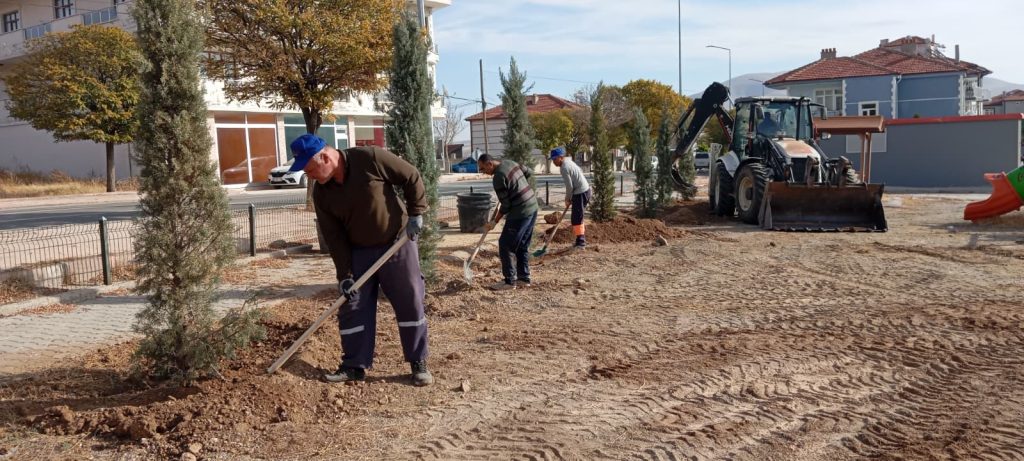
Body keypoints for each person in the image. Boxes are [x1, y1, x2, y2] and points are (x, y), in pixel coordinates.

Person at [289, 134, 433, 386]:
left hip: (397, 244)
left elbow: (410, 175)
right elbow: (334, 238)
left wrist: (416, 212)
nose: (308, 176)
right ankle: (354, 365)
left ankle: (418, 362)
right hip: (359, 253)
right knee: (352, 305)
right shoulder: (322, 194)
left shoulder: (369, 158)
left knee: (410, 299)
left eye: (308, 168)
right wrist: (344, 274)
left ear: (324, 156)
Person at [477, 154, 539, 291]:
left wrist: (494, 221)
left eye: (482, 169)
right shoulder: (510, 162)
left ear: (489, 164)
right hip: (533, 207)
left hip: (521, 213)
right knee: (522, 244)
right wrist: (518, 186)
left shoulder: (498, 177)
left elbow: (506, 206)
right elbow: (528, 172)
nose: (483, 172)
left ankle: (509, 282)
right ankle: (523, 278)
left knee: (506, 244)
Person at [549, 147, 590, 249]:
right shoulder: (569, 162)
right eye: (552, 159)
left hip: (581, 193)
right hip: (583, 191)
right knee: (577, 217)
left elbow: (569, 186)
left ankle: (581, 243)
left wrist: (567, 199)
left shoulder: (564, 167)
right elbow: (578, 172)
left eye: (555, 159)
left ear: (561, 157)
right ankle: (579, 240)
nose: (553, 162)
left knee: (577, 218)